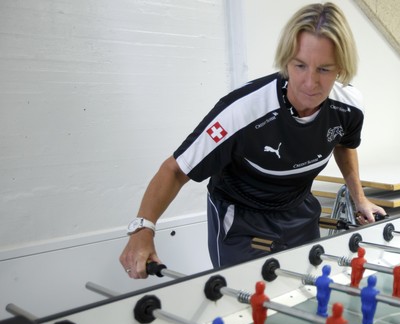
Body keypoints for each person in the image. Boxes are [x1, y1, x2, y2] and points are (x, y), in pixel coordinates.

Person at [119, 2, 385, 278]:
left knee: (305, 294)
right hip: (242, 219)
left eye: (324, 69)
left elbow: (344, 143)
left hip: (298, 208)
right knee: (247, 305)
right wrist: (143, 228)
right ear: (286, 60)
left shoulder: (349, 106)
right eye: (300, 65)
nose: (309, 82)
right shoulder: (242, 113)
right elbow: (175, 170)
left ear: (341, 68)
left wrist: (359, 198)